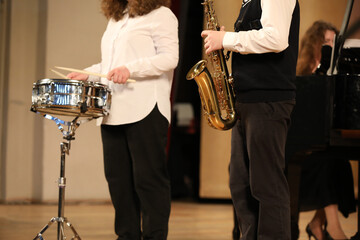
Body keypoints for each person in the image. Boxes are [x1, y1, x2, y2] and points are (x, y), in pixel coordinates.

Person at [67, 0, 179, 239]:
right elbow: (110, 67)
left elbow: (170, 58)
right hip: (112, 110)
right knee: (119, 183)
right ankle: (126, 235)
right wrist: (88, 72)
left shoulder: (162, 15)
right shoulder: (116, 18)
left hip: (146, 109)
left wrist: (131, 68)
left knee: (148, 181)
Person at [201, 0, 299, 239]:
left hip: (267, 100)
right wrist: (230, 40)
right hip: (247, 100)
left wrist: (227, 40)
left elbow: (276, 39)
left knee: (267, 186)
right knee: (241, 185)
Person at [297, 20, 356, 240]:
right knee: (326, 162)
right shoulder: (304, 75)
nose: (331, 46)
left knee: (339, 161)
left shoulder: (336, 77)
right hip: (300, 153)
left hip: (319, 151)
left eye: (334, 42)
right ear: (315, 44)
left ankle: (317, 223)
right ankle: (333, 228)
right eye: (327, 41)